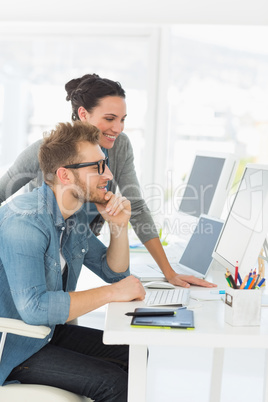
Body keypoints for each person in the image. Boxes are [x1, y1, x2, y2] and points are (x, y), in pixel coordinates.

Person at [0, 73, 215, 289]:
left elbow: (137, 208)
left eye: (122, 119)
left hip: (77, 245)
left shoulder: (119, 146)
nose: (118, 128)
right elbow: (3, 191)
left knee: (66, 311)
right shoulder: (46, 151)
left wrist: (169, 273)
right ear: (83, 114)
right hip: (37, 252)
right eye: (110, 119)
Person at [0, 121, 146, 401]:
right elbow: (34, 308)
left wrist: (118, 226)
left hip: (45, 333)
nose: (110, 175)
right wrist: (113, 293)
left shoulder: (72, 216)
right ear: (65, 175)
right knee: (113, 383)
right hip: (12, 345)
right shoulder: (25, 221)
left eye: (105, 164)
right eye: (97, 167)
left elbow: (114, 272)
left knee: (135, 354)